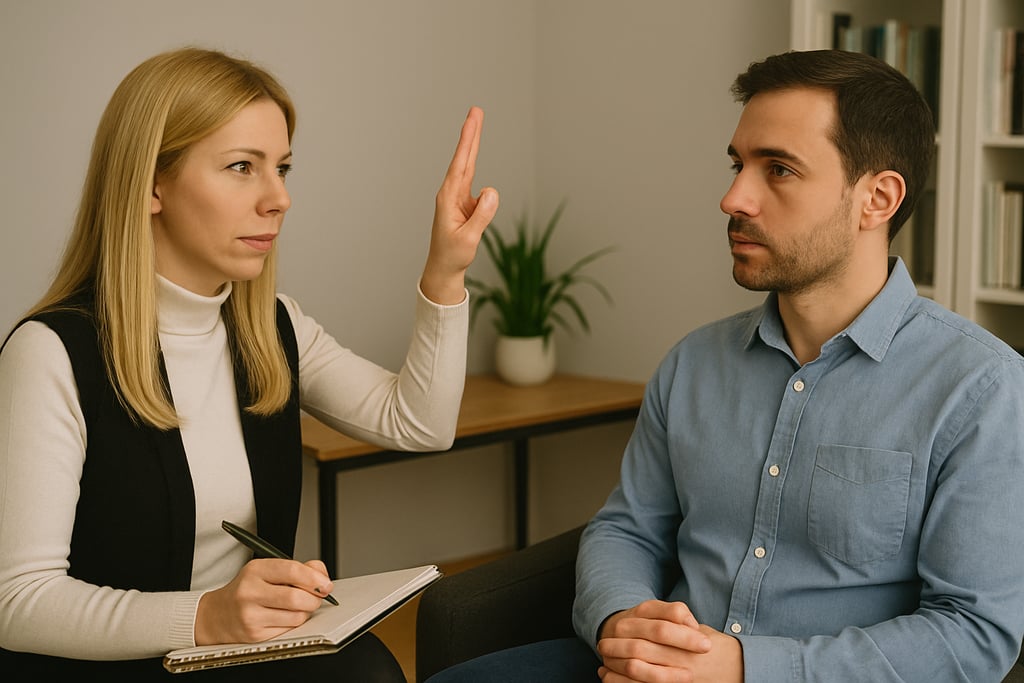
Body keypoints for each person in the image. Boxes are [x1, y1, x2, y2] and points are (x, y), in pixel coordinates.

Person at [426, 49, 1024, 683]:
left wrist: (744, 668)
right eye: (739, 165)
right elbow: (627, 529)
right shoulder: (693, 364)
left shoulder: (981, 389)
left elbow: (973, 633)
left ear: (877, 198)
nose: (733, 197)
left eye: (780, 169)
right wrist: (621, 623)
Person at [0, 47, 498, 680]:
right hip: (107, 662)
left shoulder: (271, 327)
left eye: (283, 168)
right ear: (152, 183)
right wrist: (206, 617)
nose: (279, 198)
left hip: (232, 655)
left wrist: (446, 272)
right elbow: (17, 602)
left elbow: (419, 424)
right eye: (242, 167)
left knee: (369, 670)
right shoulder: (51, 353)